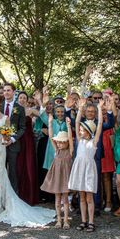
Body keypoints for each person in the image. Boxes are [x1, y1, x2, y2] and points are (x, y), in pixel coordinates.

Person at [0, 95, 55, 227]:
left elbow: (6, 134)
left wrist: (7, 139)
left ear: (0, 103)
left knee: (0, 174)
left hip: (0, 150)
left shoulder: (5, 118)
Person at [68, 99, 104, 232]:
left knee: (89, 197)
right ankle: (83, 220)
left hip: (88, 169)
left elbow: (100, 123)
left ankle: (91, 221)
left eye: (83, 130)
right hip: (79, 168)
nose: (80, 131)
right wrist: (80, 109)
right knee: (81, 196)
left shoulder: (93, 142)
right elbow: (76, 122)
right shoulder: (80, 140)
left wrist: (99, 109)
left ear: (88, 131)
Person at [40, 118, 74, 229]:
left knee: (65, 199)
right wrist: (49, 123)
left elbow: (70, 138)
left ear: (66, 143)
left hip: (65, 177)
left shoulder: (70, 152)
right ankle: (59, 219)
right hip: (57, 177)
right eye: (58, 142)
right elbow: (50, 137)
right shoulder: (57, 151)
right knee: (57, 199)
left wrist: (69, 126)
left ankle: (66, 220)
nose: (59, 144)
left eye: (62, 142)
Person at [0, 83, 26, 193]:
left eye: (8, 90)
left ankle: (14, 196)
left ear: (13, 92)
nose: (6, 92)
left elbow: (22, 128)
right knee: (0, 170)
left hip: (13, 145)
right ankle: (1, 194)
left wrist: (12, 139)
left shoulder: (19, 108)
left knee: (13, 172)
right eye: (4, 90)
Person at [15, 91, 39, 205]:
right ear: (17, 99)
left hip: (29, 141)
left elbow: (43, 116)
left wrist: (39, 100)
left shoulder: (31, 111)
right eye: (20, 97)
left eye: (24, 98)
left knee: (29, 165)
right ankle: (19, 194)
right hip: (18, 140)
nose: (22, 99)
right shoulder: (14, 111)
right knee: (19, 166)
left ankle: (30, 195)